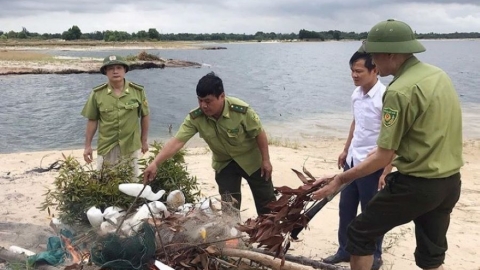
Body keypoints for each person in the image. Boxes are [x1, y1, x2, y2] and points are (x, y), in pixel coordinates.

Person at [312, 19, 463, 270]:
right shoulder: (438, 75)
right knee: (431, 253)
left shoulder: (398, 90)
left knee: (359, 233)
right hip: (449, 183)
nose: (373, 60)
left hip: (417, 184)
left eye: (374, 54)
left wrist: (341, 178)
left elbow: (383, 156)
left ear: (391, 54)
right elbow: (428, 127)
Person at [143, 72, 276, 216]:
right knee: (229, 207)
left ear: (222, 96)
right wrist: (155, 162)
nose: (203, 106)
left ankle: (271, 236)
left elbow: (259, 133)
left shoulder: (241, 111)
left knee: (267, 204)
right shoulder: (196, 117)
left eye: (208, 101)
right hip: (224, 164)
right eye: (200, 100)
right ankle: (233, 237)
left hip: (251, 161)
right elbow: (177, 141)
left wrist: (266, 160)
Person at [323, 51, 391, 270]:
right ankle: (344, 250)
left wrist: (386, 169)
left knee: (371, 214)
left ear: (375, 70)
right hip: (352, 161)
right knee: (346, 208)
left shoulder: (386, 98)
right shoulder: (356, 94)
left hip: (371, 165)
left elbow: (394, 137)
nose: (354, 75)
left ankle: (375, 255)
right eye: (352, 70)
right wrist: (345, 150)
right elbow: (356, 123)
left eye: (359, 71)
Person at [81, 55, 150, 176]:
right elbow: (92, 120)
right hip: (107, 146)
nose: (115, 71)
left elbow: (145, 116)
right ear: (105, 72)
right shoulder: (97, 93)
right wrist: (87, 146)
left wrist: (144, 141)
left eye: (119, 67)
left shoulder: (137, 91)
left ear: (125, 70)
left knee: (131, 180)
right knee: (106, 181)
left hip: (130, 145)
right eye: (111, 68)